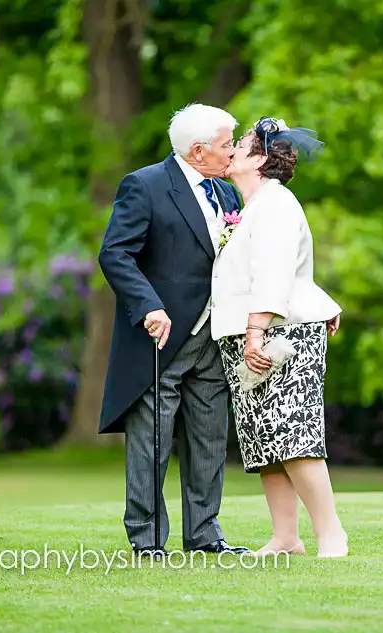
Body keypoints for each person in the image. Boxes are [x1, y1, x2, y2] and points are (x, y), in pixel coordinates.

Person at [97, 103, 250, 556]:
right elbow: (115, 254)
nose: (232, 153)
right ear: (198, 151)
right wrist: (149, 307)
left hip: (214, 335)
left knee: (208, 438)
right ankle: (146, 540)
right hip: (161, 337)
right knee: (152, 442)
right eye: (226, 145)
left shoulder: (227, 195)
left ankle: (205, 535)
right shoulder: (144, 185)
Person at [210, 116, 348, 558]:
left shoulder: (276, 204)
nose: (231, 150)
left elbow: (274, 273)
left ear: (262, 159)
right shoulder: (252, 206)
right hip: (248, 334)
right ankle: (286, 537)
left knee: (295, 435)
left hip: (278, 334)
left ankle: (331, 533)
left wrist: (254, 332)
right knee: (264, 440)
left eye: (242, 144)